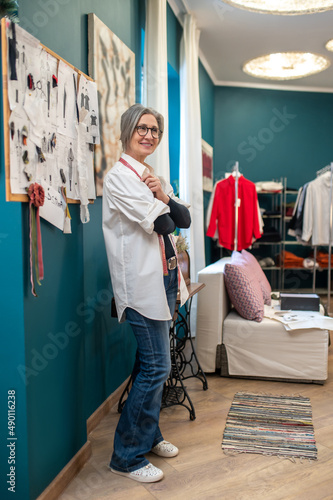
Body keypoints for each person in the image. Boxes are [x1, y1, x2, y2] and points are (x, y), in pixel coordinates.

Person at [102, 103, 191, 483]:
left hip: (165, 279)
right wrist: (164, 201)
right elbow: (165, 223)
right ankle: (126, 456)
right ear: (127, 132)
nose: (149, 135)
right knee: (157, 367)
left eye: (155, 129)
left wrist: (161, 192)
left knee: (148, 363)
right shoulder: (120, 178)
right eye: (142, 128)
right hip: (140, 284)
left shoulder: (151, 175)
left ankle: (149, 434)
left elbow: (184, 218)